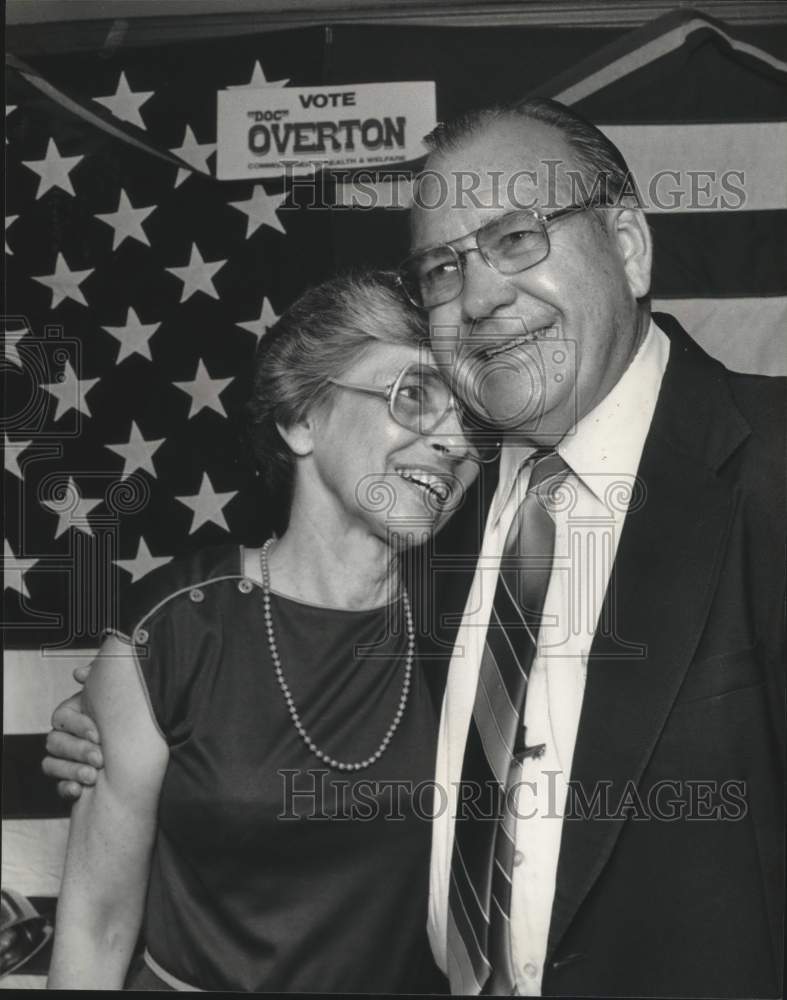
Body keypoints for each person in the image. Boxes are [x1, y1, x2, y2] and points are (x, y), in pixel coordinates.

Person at [45, 99, 785, 997]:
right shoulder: (453, 536)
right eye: (442, 267)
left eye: (517, 237)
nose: (478, 295)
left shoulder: (764, 474)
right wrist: (124, 720)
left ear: (628, 246)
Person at [44, 269, 479, 992]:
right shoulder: (177, 624)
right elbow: (96, 925)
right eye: (412, 396)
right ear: (300, 420)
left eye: (469, 416)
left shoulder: (475, 634)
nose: (453, 441)